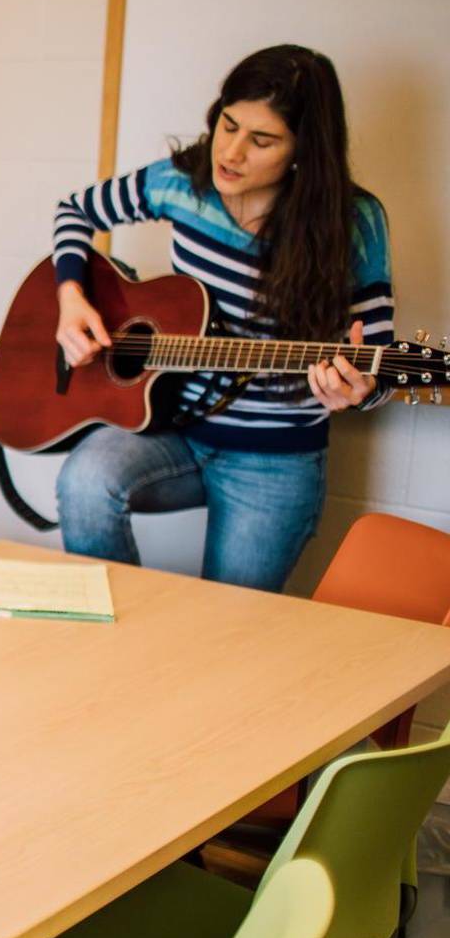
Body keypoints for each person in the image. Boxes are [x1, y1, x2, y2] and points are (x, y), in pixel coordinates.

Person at [49, 44, 393, 592]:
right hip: (171, 431)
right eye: (228, 125)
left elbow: (376, 368)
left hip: (273, 461)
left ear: (304, 149)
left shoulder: (354, 223)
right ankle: (112, 644)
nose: (230, 153)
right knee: (85, 480)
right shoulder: (183, 183)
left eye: (262, 140)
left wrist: (357, 388)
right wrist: (72, 295)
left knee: (231, 628)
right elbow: (76, 210)